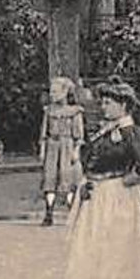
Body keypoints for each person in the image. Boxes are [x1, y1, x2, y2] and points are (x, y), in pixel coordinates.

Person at [56, 80, 140, 279]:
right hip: (96, 196)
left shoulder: (132, 132)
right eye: (102, 102)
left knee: (116, 254)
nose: (103, 107)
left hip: (117, 198)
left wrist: (125, 182)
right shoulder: (104, 130)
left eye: (108, 103)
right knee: (92, 251)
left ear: (123, 105)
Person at [40, 75, 86, 225]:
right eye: (51, 92)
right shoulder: (48, 111)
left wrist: (76, 150)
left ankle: (72, 211)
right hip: (52, 146)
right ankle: (49, 212)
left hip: (67, 145)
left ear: (65, 92)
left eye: (55, 91)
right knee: (50, 178)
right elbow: (44, 133)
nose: (52, 94)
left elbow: (79, 135)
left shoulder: (75, 112)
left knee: (68, 177)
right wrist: (42, 149)